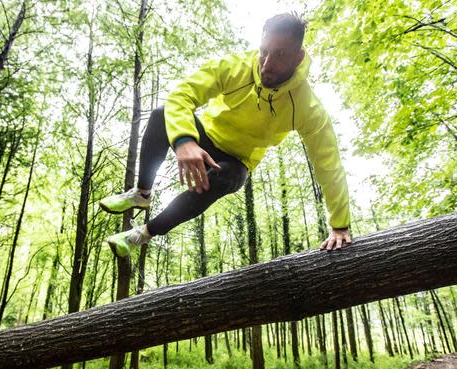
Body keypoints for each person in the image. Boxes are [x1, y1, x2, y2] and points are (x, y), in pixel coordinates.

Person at [99, 13, 351, 257]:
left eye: (280, 55)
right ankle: (142, 194)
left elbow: (328, 165)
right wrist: (185, 141)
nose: (266, 64)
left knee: (228, 176)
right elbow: (183, 94)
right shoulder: (236, 67)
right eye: (264, 51)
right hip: (205, 136)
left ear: (298, 58)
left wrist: (339, 225)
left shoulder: (307, 108)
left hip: (237, 158)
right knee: (161, 115)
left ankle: (142, 234)